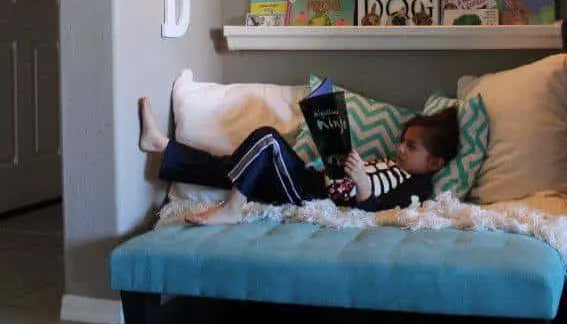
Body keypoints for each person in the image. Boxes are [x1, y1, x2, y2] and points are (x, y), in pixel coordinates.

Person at [138, 98, 459, 225]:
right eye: (402, 141)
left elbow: (375, 208)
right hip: (311, 178)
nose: (401, 148)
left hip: (309, 193)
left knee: (267, 139)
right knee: (235, 165)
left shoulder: (417, 186)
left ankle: (233, 209)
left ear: (434, 163)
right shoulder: (393, 163)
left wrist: (360, 179)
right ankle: (163, 145)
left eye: (411, 146)